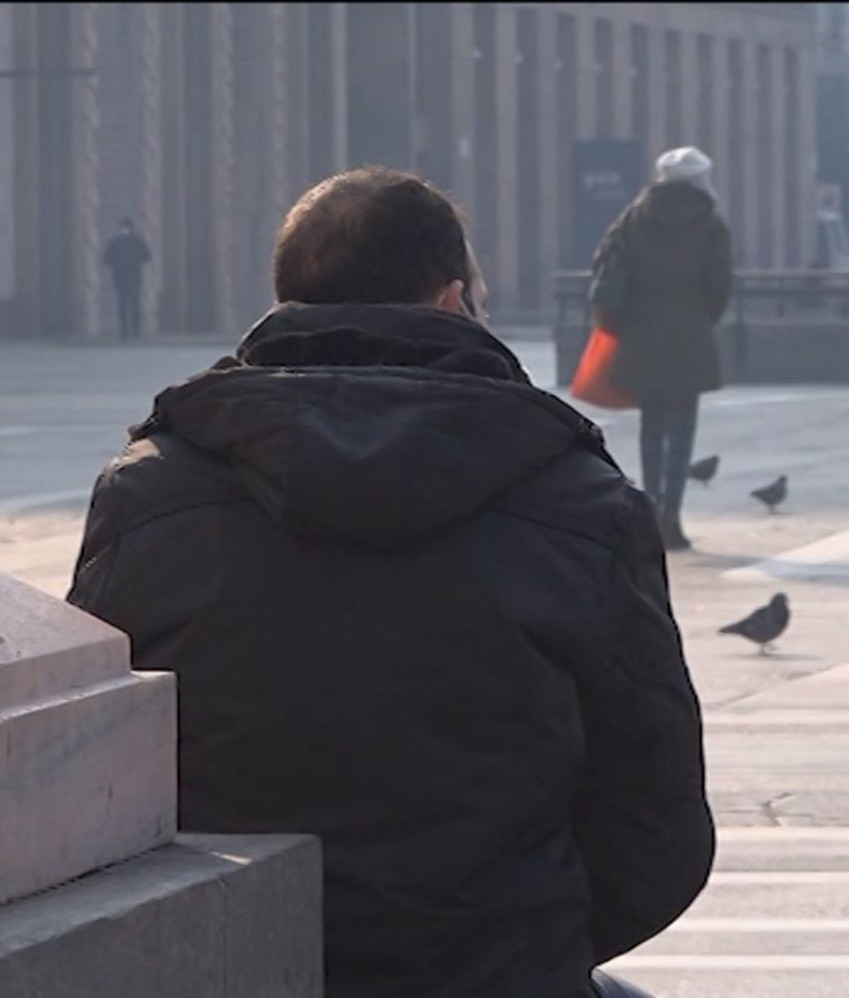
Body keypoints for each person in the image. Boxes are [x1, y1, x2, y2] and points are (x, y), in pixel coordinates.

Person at [67, 166, 713, 998]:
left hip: (230, 962)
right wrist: (533, 937)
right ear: (452, 301)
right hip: (494, 965)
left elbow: (92, 775)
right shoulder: (582, 505)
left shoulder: (148, 494)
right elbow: (656, 820)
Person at [590, 146, 733, 552]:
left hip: (643, 332)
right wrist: (702, 317)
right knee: (682, 426)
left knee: (651, 424)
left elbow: (610, 266)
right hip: (690, 332)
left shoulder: (636, 217)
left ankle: (650, 506)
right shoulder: (710, 223)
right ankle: (673, 513)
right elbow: (719, 286)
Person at [101, 218, 151, 340]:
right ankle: (124, 331)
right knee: (123, 305)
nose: (125, 230)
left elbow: (146, 257)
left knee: (133, 304)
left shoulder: (136, 242)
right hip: (122, 277)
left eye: (126, 227)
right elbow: (107, 259)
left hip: (132, 276)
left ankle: (134, 331)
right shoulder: (116, 243)